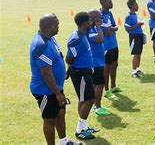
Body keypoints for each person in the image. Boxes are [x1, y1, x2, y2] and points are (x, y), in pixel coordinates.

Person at [30, 14, 78, 145]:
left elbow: (57, 58)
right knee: (50, 119)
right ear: (47, 26)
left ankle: (64, 141)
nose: (58, 27)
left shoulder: (50, 39)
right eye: (56, 24)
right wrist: (57, 93)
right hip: (45, 90)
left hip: (55, 87)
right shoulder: (41, 45)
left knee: (61, 113)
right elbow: (46, 73)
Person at [66, 12, 99, 140]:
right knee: (89, 99)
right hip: (80, 73)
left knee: (84, 99)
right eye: (90, 21)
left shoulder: (83, 34)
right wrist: (70, 68)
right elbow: (69, 58)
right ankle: (80, 130)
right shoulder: (77, 39)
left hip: (85, 71)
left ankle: (84, 127)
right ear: (85, 23)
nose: (92, 23)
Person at [87, 10, 110, 116]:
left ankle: (96, 105)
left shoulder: (94, 28)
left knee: (97, 84)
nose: (101, 20)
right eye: (99, 18)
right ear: (94, 19)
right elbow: (100, 39)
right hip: (95, 63)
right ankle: (97, 107)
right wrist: (99, 27)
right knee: (99, 85)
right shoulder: (90, 30)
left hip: (99, 61)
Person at [100, 0, 122, 99]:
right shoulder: (100, 15)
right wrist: (112, 29)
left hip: (114, 43)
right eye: (108, 1)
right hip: (106, 45)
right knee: (107, 67)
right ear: (103, 3)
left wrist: (112, 28)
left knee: (115, 64)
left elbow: (115, 27)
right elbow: (107, 31)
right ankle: (106, 90)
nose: (111, 2)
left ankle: (113, 86)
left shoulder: (110, 14)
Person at [125, 0, 145, 77]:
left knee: (139, 53)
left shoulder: (135, 15)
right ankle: (134, 71)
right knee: (136, 54)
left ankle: (137, 68)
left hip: (139, 35)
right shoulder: (129, 16)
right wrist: (138, 25)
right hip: (134, 36)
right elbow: (127, 29)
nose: (137, 6)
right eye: (136, 5)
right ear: (131, 6)